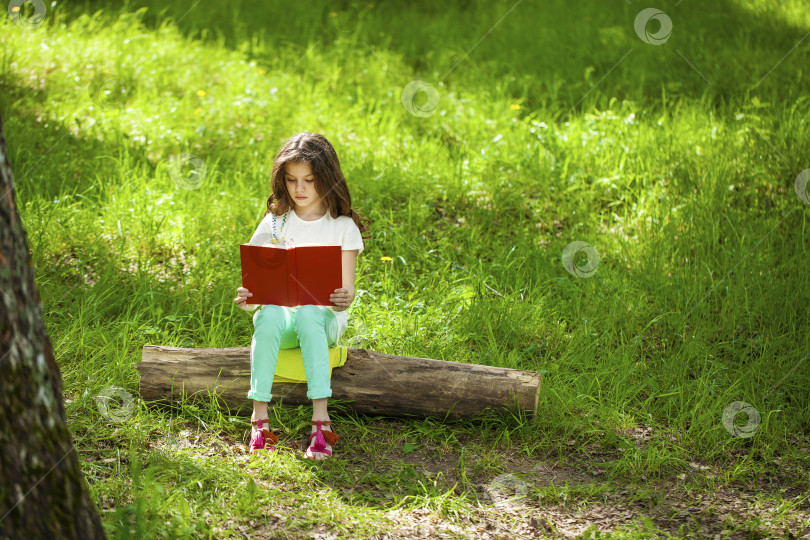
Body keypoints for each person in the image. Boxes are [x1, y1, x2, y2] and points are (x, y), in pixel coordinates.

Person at [234, 132, 370, 460]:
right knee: (266, 315)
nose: (300, 189)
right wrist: (248, 298)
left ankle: (320, 423)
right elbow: (256, 287)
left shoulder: (342, 226)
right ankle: (260, 421)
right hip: (283, 318)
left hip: (322, 319)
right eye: (292, 180)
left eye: (309, 180)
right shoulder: (275, 222)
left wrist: (342, 297)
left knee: (309, 311)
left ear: (327, 178)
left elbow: (347, 290)